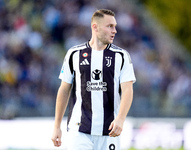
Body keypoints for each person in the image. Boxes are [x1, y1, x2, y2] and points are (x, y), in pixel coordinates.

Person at [51, 9, 136, 150]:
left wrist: (120, 119)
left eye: (115, 26)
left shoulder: (121, 56)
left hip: (109, 131)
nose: (114, 30)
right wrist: (56, 126)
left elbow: (128, 90)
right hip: (79, 130)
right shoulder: (74, 54)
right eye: (109, 26)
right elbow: (64, 89)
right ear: (95, 27)